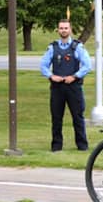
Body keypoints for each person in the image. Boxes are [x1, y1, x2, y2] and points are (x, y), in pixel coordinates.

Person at [39, 19, 92, 151]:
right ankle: (56, 146)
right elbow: (43, 66)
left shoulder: (77, 47)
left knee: (78, 117)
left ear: (70, 30)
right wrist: (51, 76)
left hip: (73, 87)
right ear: (58, 30)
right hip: (57, 88)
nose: (63, 30)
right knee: (56, 118)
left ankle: (82, 146)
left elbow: (87, 65)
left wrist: (74, 76)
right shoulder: (52, 47)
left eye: (66, 28)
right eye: (61, 28)